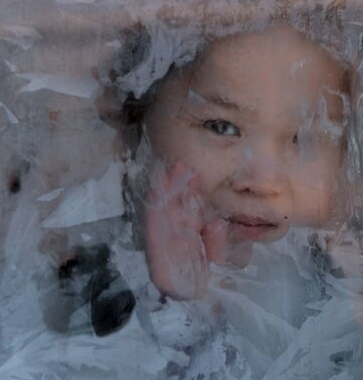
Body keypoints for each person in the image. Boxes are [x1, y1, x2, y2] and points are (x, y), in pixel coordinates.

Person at [124, 24, 351, 301]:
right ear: (143, 119)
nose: (262, 183)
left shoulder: (352, 279)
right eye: (222, 127)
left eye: (302, 139)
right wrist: (174, 303)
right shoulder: (106, 258)